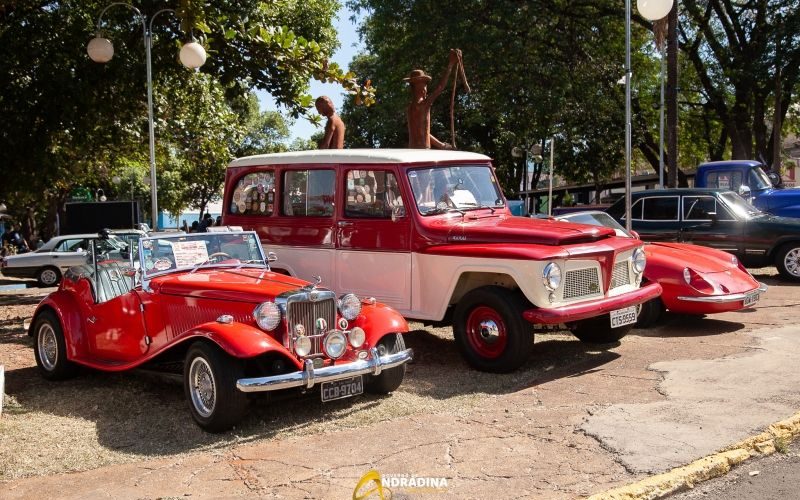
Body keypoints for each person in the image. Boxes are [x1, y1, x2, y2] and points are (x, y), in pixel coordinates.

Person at [405, 49, 460, 150]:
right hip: (423, 151)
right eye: (425, 85)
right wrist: (451, 64)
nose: (426, 89)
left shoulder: (410, 108)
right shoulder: (424, 105)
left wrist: (442, 146)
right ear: (422, 89)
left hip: (411, 150)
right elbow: (441, 87)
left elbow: (424, 132)